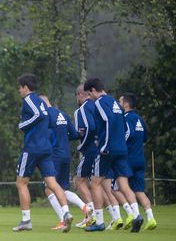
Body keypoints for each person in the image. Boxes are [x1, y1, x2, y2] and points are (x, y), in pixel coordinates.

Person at [13, 74, 73, 233]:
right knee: (52, 183)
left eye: (20, 87)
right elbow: (44, 118)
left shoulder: (29, 100)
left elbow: (37, 116)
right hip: (46, 148)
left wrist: (22, 125)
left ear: (26, 87)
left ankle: (26, 221)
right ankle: (66, 212)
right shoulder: (42, 102)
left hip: (32, 148)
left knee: (21, 183)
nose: (19, 90)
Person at [83, 77, 143, 232]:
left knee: (94, 183)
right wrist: (120, 144)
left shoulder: (100, 102)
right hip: (121, 149)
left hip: (107, 150)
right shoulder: (116, 103)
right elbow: (123, 125)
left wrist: (105, 145)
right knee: (123, 184)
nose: (89, 98)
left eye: (89, 95)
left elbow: (108, 121)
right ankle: (137, 215)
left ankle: (100, 222)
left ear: (93, 90)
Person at [39, 95, 86, 230]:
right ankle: (85, 207)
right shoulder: (62, 114)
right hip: (66, 156)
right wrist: (81, 133)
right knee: (62, 189)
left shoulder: (45, 116)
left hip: (53, 157)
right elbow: (75, 134)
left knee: (49, 189)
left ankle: (63, 219)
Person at [119, 92, 157, 230]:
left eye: (121, 102)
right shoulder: (140, 119)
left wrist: (120, 142)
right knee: (139, 191)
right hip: (140, 159)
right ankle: (151, 218)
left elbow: (128, 134)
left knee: (119, 188)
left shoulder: (125, 118)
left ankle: (135, 215)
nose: (119, 105)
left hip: (128, 159)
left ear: (126, 104)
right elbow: (145, 137)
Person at [73, 85, 98, 228]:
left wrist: (82, 146)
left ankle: (91, 216)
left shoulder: (82, 109)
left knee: (79, 181)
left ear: (80, 95)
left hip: (90, 149)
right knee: (100, 184)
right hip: (102, 149)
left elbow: (90, 128)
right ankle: (115, 216)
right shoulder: (96, 106)